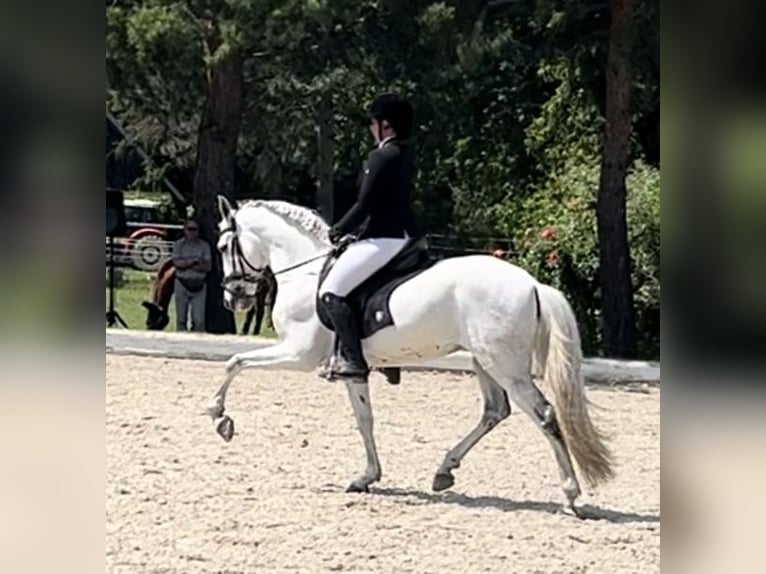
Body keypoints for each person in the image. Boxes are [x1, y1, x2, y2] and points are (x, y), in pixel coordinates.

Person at [318, 93, 421, 381]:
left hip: (384, 237)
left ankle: (353, 360)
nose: (369, 128)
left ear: (385, 125)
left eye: (372, 123)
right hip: (406, 234)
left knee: (332, 292)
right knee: (368, 288)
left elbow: (365, 204)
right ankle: (386, 354)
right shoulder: (406, 153)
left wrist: (338, 230)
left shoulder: (381, 156)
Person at [172, 218, 211, 332]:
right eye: (190, 229)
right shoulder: (179, 245)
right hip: (181, 283)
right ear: (184, 230)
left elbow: (208, 267)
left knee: (199, 321)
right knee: (181, 320)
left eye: (195, 229)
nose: (192, 232)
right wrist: (194, 262)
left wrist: (187, 263)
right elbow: (177, 263)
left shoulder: (204, 246)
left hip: (199, 285)